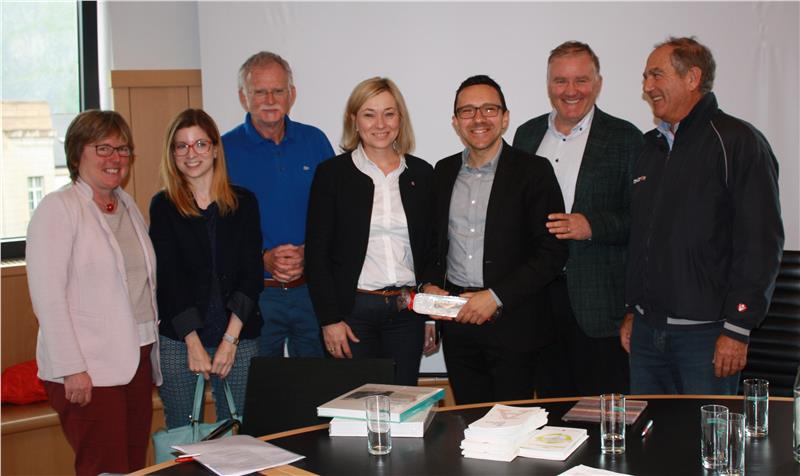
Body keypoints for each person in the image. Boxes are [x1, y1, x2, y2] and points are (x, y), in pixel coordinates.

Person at [621, 37, 784, 394]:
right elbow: (641, 237)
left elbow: (760, 243)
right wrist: (633, 309)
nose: (647, 87)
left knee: (706, 431)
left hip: (707, 338)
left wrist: (737, 328)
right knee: (650, 430)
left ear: (692, 78)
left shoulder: (738, 141)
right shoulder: (651, 147)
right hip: (647, 335)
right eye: (646, 77)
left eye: (656, 75)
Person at [26, 110, 161, 475]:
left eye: (122, 149)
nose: (115, 158)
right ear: (76, 154)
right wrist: (71, 368)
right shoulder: (58, 208)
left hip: (136, 359)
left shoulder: (127, 204)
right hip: (88, 367)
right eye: (103, 148)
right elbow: (48, 299)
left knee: (133, 466)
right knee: (104, 467)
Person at [420, 75, 568, 404]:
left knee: (512, 424)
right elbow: (433, 246)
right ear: (456, 122)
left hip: (515, 323)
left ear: (504, 118)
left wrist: (496, 297)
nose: (479, 119)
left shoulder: (534, 171)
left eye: (489, 109)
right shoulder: (442, 172)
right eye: (468, 111)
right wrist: (429, 290)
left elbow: (552, 252)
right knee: (469, 418)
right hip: (458, 322)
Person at [513, 41, 643, 397]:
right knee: (551, 409)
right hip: (538, 304)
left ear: (598, 84)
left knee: (604, 413)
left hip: (600, 308)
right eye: (561, 81)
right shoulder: (526, 135)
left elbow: (645, 222)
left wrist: (592, 226)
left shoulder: (626, 139)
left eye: (581, 80)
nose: (570, 91)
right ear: (548, 85)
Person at [306, 77, 435, 385]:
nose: (380, 124)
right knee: (355, 405)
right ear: (354, 120)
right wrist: (330, 320)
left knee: (403, 403)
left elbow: (433, 251)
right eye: (369, 114)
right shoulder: (332, 175)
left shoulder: (422, 174)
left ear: (400, 119)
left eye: (389, 113)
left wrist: (431, 316)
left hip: (407, 314)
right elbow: (317, 255)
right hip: (352, 316)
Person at [149, 109, 263, 428]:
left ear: (214, 149)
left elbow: (251, 277)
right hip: (180, 340)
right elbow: (169, 281)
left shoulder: (244, 203)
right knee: (184, 433)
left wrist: (229, 341)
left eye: (200, 144)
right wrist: (193, 342)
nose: (191, 153)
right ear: (172, 154)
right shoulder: (163, 206)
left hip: (239, 335)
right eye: (182, 146)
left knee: (240, 432)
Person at [222, 51, 335, 357]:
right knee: (258, 384)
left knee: (315, 382)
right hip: (254, 295)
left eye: (278, 90)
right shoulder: (223, 150)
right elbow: (218, 230)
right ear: (243, 97)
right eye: (260, 91)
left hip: (311, 291)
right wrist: (260, 258)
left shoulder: (315, 142)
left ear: (291, 94)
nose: (270, 100)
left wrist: (309, 253)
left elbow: (336, 215)